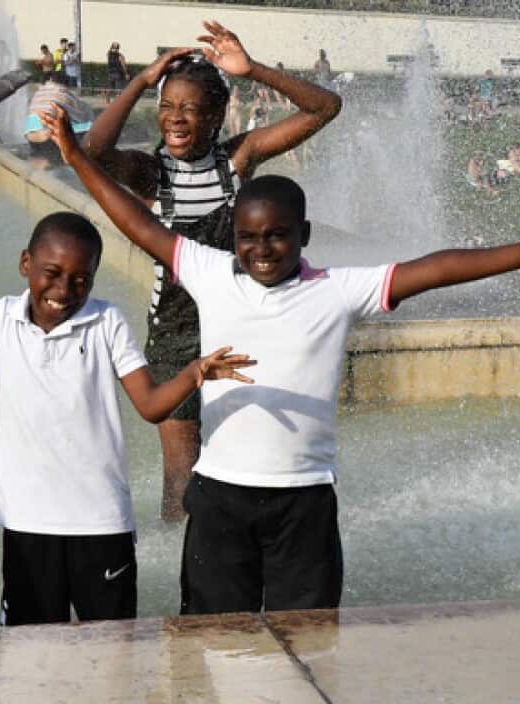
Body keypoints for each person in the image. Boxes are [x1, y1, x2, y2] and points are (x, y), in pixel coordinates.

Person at [42, 105, 520, 614]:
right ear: (233, 239)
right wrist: (75, 159)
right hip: (219, 500)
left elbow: (433, 268)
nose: (261, 249)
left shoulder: (337, 290)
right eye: (248, 237)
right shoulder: (213, 277)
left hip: (303, 503)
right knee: (211, 638)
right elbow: (139, 225)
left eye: (278, 236)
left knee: (307, 642)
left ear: (304, 235)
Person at [0, 212, 254, 626]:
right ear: (25, 263)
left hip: (101, 525)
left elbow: (150, 405)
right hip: (27, 523)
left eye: (81, 279)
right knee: (29, 656)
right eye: (52, 273)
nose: (64, 289)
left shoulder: (107, 322)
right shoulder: (3, 317)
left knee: (112, 655)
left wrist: (195, 373)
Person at [83, 21, 341, 521]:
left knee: (246, 454)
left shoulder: (237, 159)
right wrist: (139, 81)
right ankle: (188, 574)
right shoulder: (152, 173)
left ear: (218, 115)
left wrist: (253, 70)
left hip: (242, 322)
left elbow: (325, 108)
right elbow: (94, 152)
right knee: (182, 471)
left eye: (190, 109)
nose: (175, 120)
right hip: (177, 334)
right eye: (166, 107)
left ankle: (245, 550)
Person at [23, 80, 93, 167]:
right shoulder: (65, 93)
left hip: (31, 134)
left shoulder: (41, 92)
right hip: (48, 134)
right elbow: (79, 120)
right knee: (90, 129)